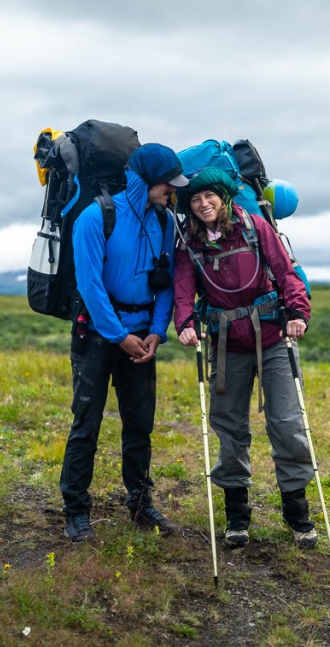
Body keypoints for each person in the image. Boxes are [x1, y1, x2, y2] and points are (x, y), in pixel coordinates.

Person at [173, 167, 316, 549]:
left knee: (286, 423)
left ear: (223, 196)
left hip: (272, 337)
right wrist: (184, 323)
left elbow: (285, 273)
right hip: (224, 343)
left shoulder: (254, 226)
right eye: (195, 200)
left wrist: (298, 313)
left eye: (209, 197)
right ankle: (237, 516)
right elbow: (183, 290)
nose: (203, 204)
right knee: (229, 429)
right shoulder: (188, 242)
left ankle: (297, 512)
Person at [59, 143, 189, 543]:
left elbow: (164, 281)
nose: (173, 192)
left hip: (142, 338)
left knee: (139, 426)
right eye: (169, 184)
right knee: (87, 424)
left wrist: (156, 331)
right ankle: (76, 511)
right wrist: (120, 336)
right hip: (98, 336)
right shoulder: (96, 216)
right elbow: (90, 284)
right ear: (148, 179)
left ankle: (140, 503)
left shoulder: (165, 222)